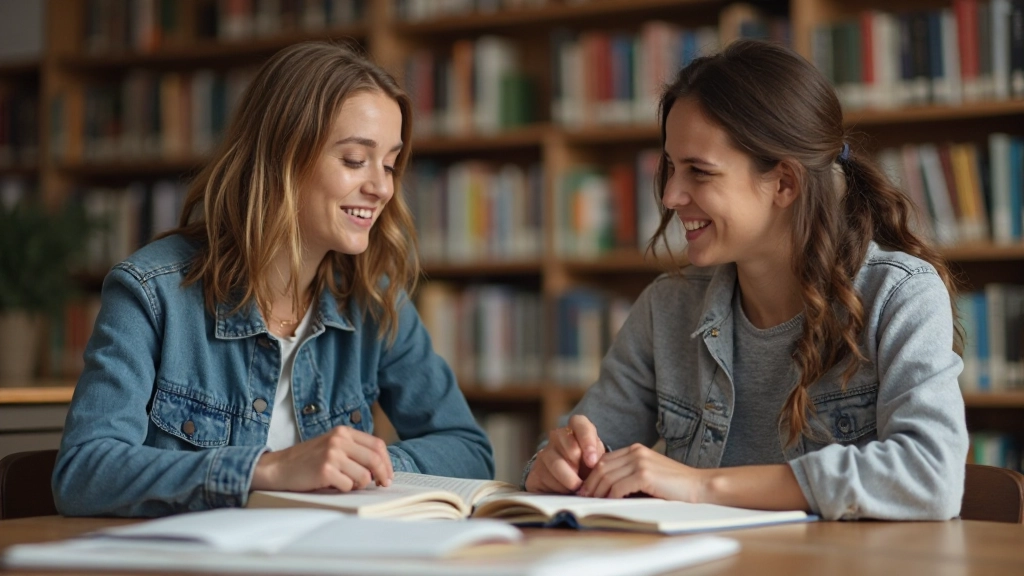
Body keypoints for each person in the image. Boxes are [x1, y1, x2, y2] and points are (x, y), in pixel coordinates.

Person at [524, 39, 969, 521]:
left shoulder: (900, 295)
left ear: (784, 184)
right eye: (671, 167)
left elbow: (932, 476)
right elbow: (587, 443)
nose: (670, 195)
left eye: (699, 172)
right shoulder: (666, 307)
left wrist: (701, 486)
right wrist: (560, 465)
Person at [53, 41, 493, 517]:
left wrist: (371, 466)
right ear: (281, 155)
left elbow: (468, 450)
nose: (383, 187)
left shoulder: (375, 299)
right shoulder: (150, 290)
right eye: (354, 160)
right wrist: (266, 469)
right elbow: (83, 473)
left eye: (389, 164)